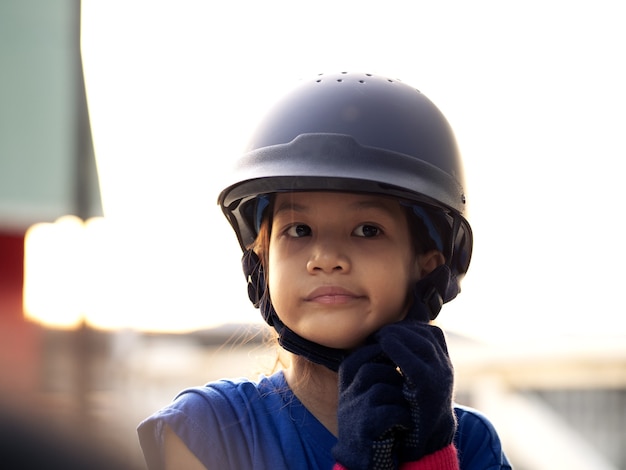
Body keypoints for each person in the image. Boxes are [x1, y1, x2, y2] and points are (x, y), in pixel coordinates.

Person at [138, 71, 512, 469]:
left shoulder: (469, 442)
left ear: (427, 268)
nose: (326, 257)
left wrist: (432, 457)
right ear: (261, 262)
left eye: (367, 230)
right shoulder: (206, 430)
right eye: (299, 230)